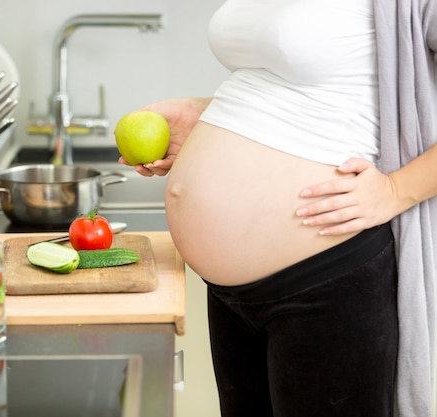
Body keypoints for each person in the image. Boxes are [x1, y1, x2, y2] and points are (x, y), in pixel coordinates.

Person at [118, 1, 437, 416]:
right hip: (232, 297)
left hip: (329, 279)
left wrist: (396, 190)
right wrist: (213, 114)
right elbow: (296, 83)